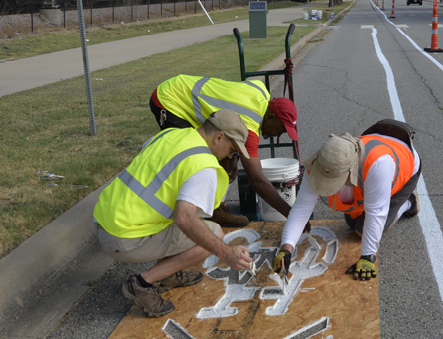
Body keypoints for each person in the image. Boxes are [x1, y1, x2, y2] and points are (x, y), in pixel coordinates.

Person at [94, 109, 256, 317]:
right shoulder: (203, 165)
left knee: (190, 219)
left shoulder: (171, 134)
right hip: (123, 238)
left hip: (107, 219)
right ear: (219, 137)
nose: (230, 155)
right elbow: (185, 218)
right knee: (214, 234)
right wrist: (226, 253)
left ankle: (168, 274)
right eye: (232, 149)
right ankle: (142, 284)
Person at [272, 121, 422, 281]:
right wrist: (286, 248)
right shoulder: (320, 162)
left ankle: (408, 203)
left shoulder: (378, 164)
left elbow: (376, 214)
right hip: (367, 175)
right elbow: (301, 209)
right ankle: (371, 200)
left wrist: (367, 257)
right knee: (352, 222)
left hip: (404, 167)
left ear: (350, 172)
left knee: (361, 231)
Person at [149, 74, 300, 227]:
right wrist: (292, 215)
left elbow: (231, 109)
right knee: (192, 156)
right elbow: (257, 180)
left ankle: (215, 209)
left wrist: (233, 155)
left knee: (225, 158)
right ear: (269, 117)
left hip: (183, 85)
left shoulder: (261, 92)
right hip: (170, 99)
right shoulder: (250, 128)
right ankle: (181, 212)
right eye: (281, 129)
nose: (278, 135)